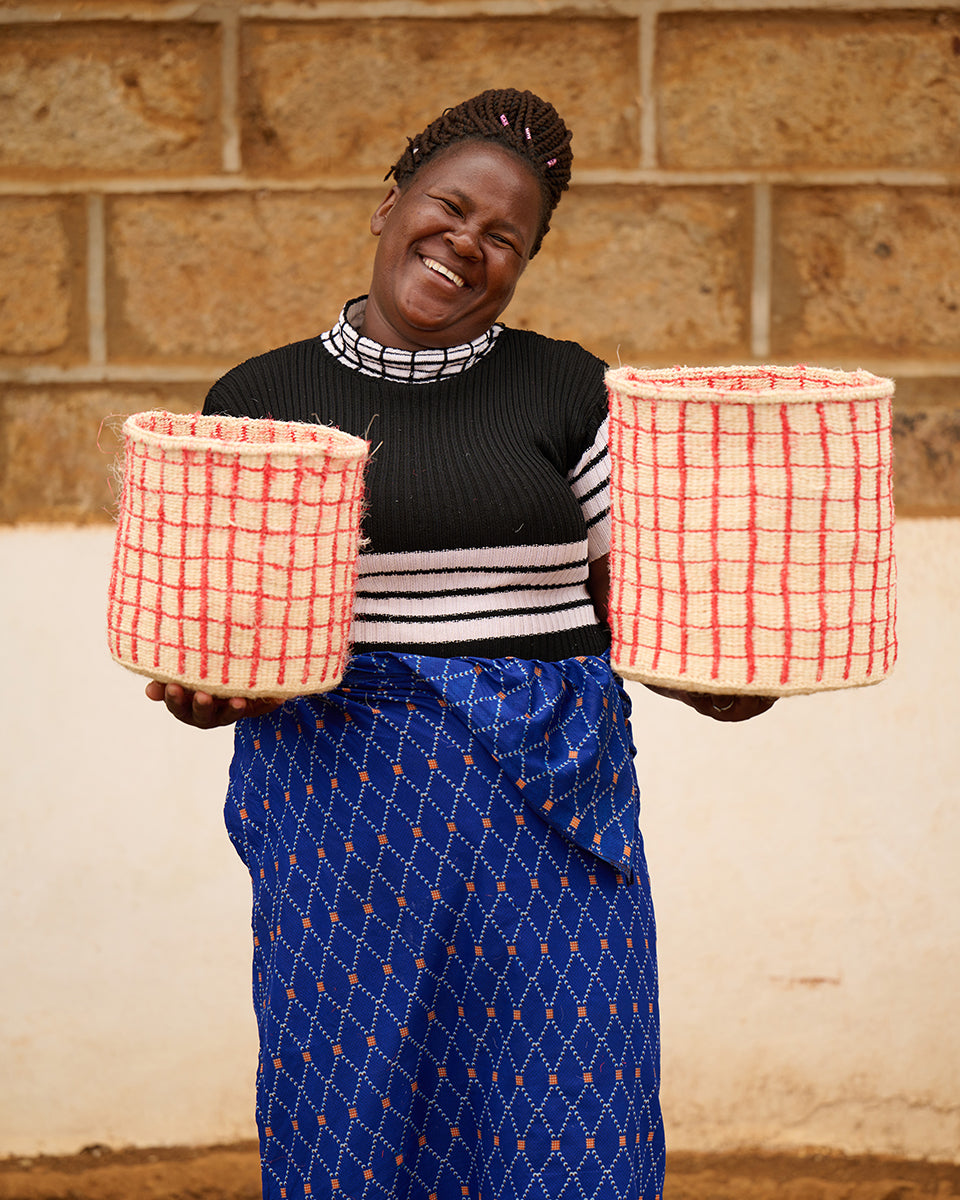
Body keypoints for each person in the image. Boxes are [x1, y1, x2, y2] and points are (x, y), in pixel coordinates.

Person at [147, 88, 773, 1200]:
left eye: (505, 236)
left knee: (574, 1110)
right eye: (449, 207)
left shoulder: (568, 389)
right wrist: (208, 690)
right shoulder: (261, 397)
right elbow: (224, 630)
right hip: (343, 827)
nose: (467, 244)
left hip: (551, 822)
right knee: (356, 1111)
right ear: (390, 204)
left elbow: (640, 601)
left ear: (524, 262)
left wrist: (720, 678)